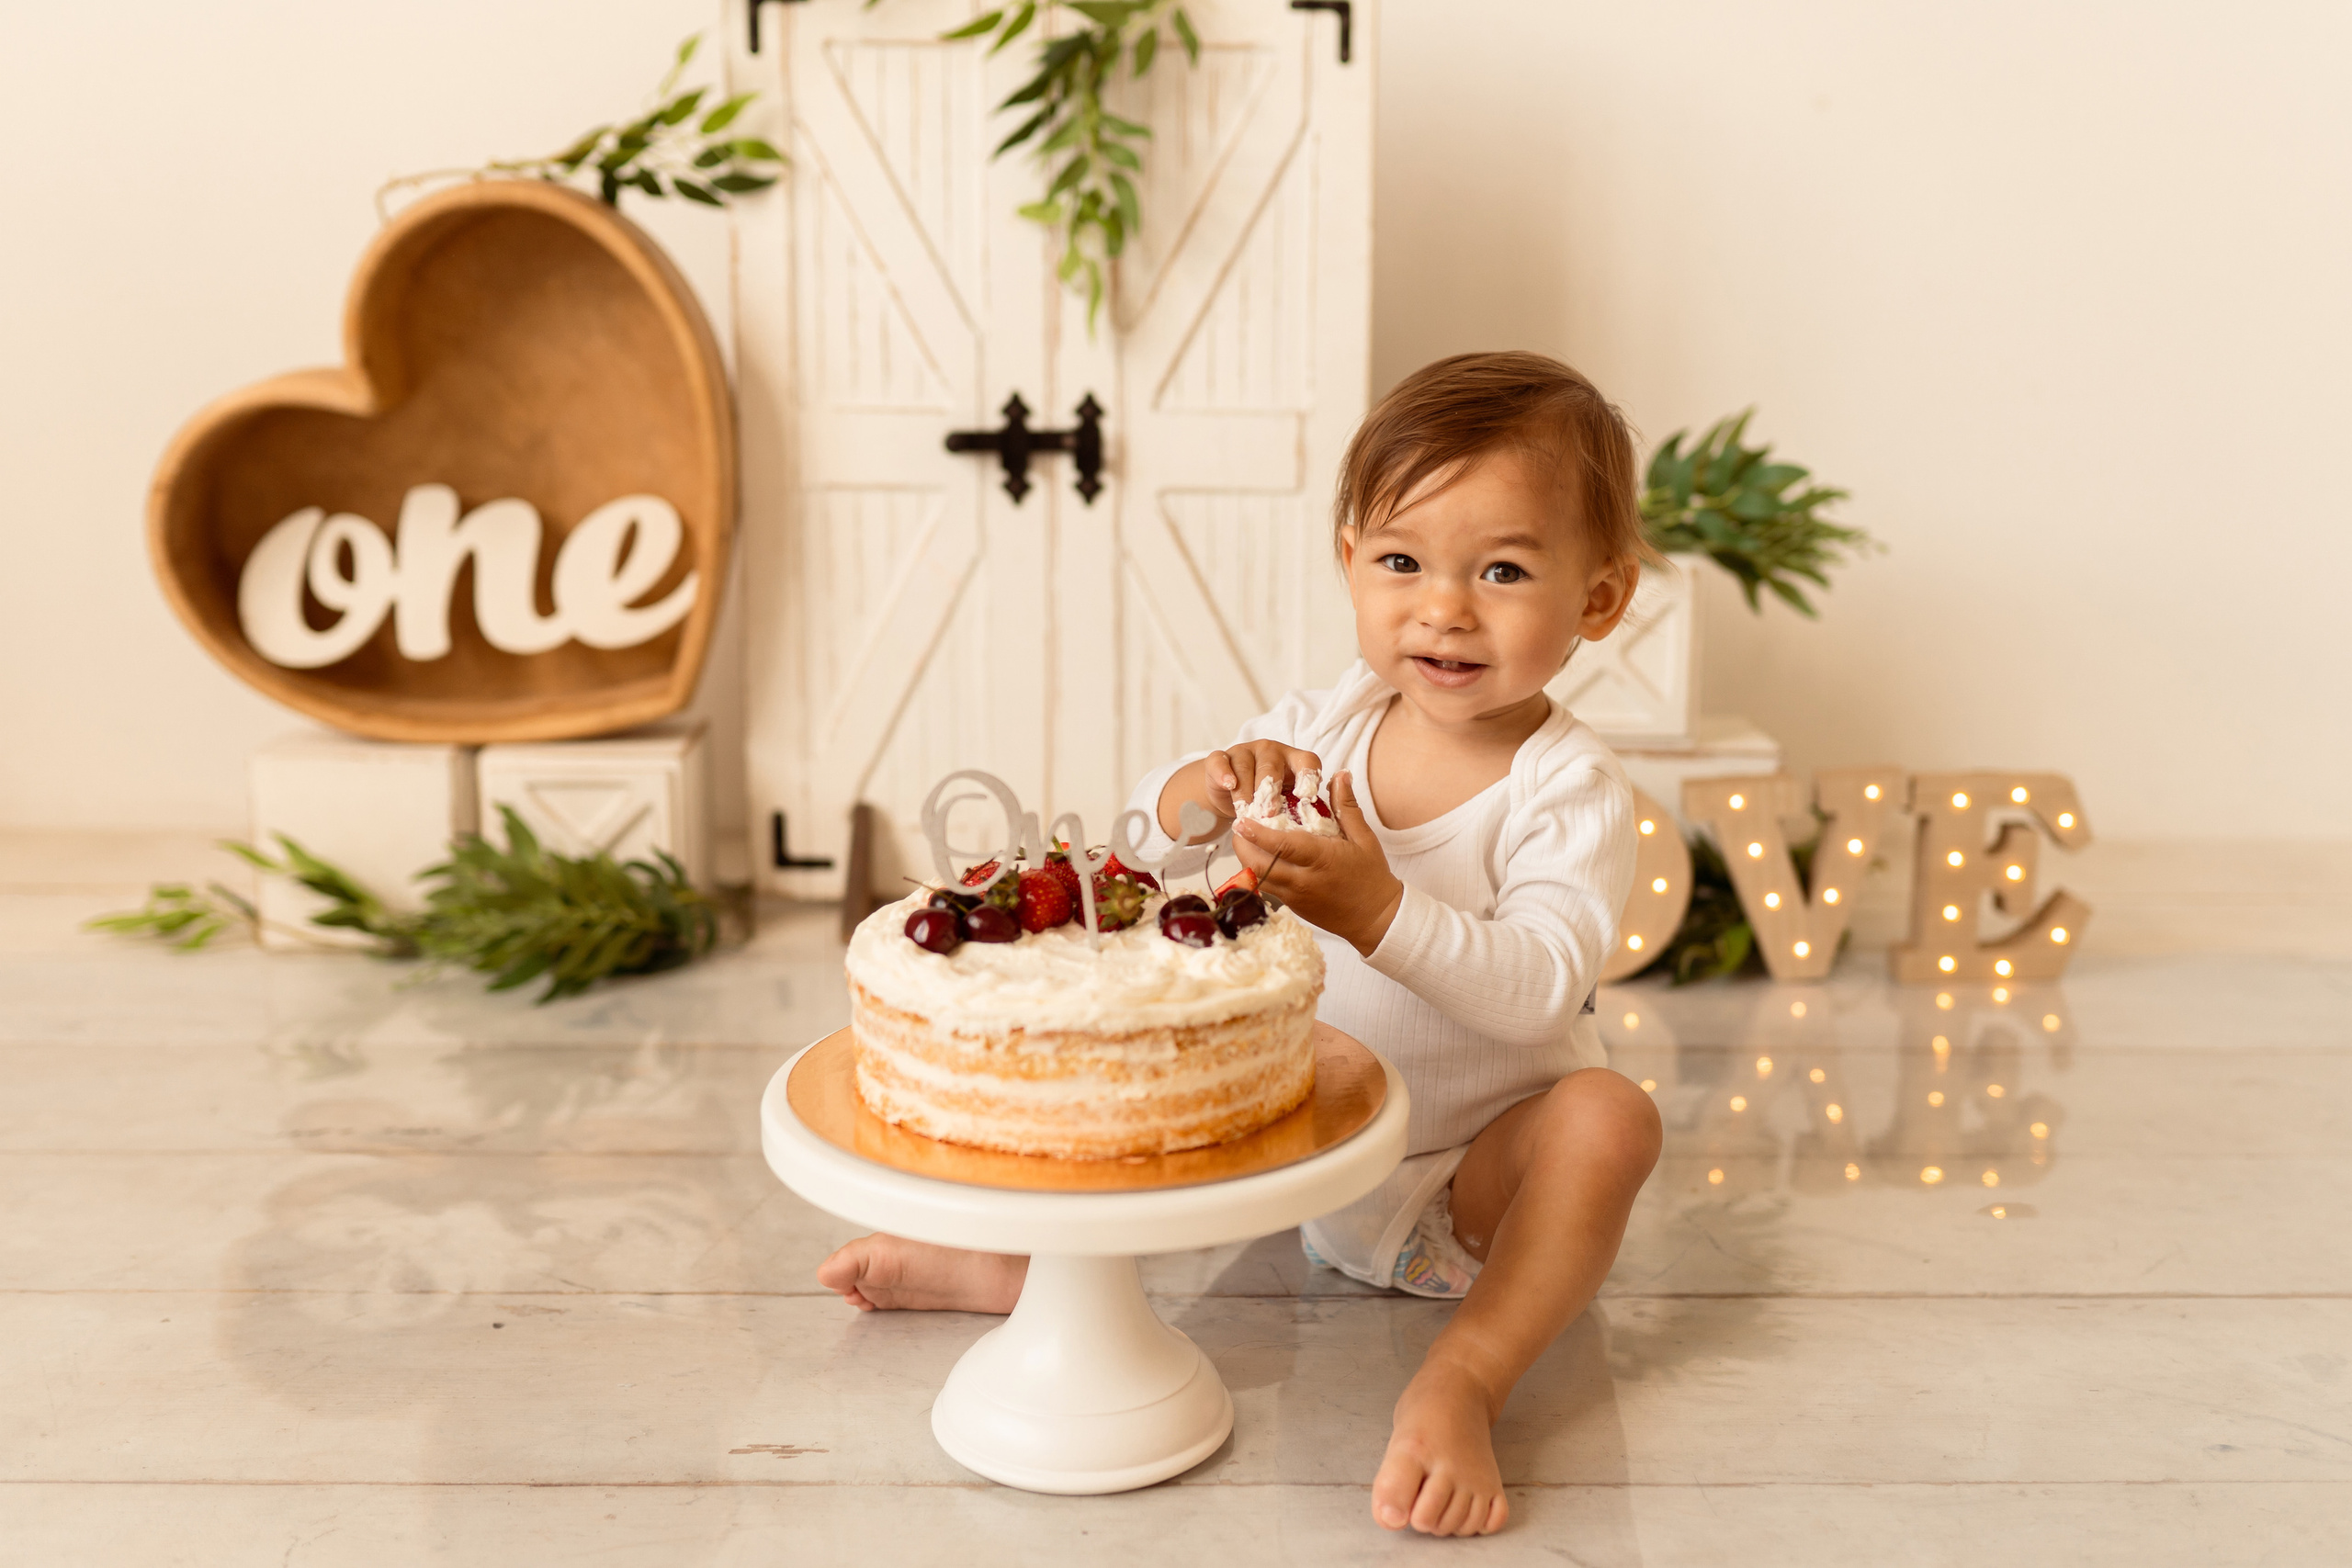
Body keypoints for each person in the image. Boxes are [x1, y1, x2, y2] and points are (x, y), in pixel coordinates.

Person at [819, 351, 1664, 1538]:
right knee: (1162, 1039)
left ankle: (1465, 1375)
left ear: (1598, 600)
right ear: (1348, 562)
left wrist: (1381, 911)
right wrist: (1204, 788)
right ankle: (1032, 1270)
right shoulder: (1325, 724)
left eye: (1505, 570)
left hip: (1466, 1188)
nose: (1444, 607)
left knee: (1609, 1118)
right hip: (1294, 1142)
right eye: (1402, 562)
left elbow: (1535, 992)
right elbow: (1152, 849)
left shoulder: (1567, 784)